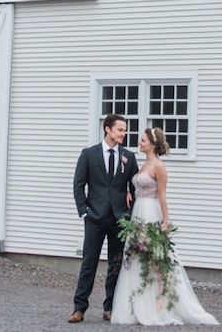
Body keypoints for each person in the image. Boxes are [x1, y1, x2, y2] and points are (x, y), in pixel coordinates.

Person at [111, 128, 219, 326]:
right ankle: (137, 303)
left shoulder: (159, 166)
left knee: (156, 258)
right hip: (138, 213)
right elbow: (137, 187)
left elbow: (162, 196)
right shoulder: (143, 164)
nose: (139, 142)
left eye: (143, 140)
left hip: (151, 212)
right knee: (136, 257)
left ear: (152, 144)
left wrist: (165, 220)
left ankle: (159, 303)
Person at [69, 114, 138, 324]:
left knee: (115, 265)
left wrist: (129, 213)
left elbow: (134, 187)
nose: (123, 133)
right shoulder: (89, 154)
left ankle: (110, 308)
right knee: (88, 263)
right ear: (107, 129)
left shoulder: (129, 156)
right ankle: (79, 308)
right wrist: (84, 211)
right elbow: (78, 184)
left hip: (118, 219)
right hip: (94, 218)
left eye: (125, 130)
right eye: (120, 129)